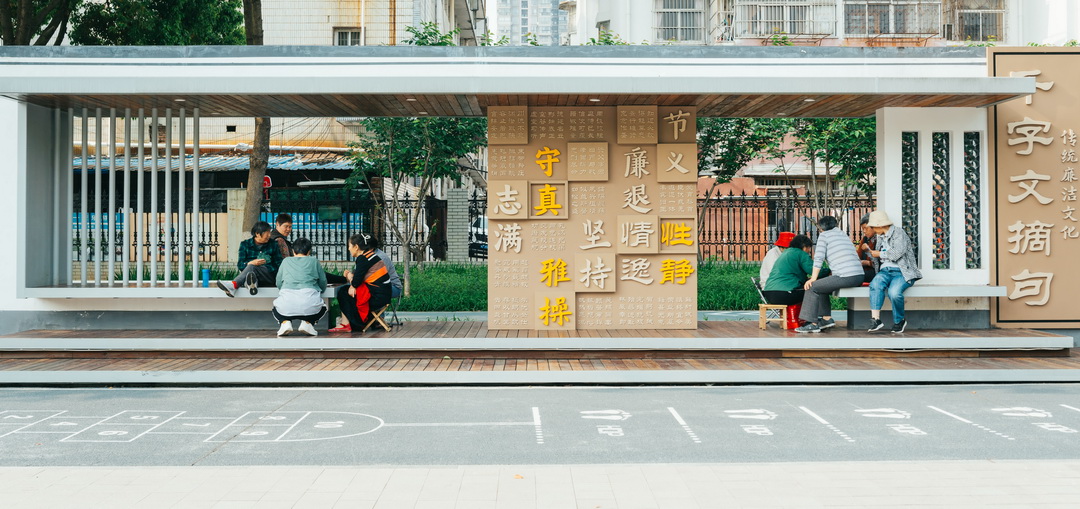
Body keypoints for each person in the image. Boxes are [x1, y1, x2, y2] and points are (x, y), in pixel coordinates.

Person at [794, 216, 865, 333]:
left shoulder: (824, 236)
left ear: (821, 228)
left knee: (812, 287)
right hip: (859, 276)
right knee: (821, 287)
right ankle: (826, 319)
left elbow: (818, 259)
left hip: (845, 276)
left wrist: (813, 278)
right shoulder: (842, 234)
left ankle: (811, 323)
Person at [865, 210, 922, 333]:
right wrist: (870, 253)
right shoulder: (880, 237)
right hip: (885, 271)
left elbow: (897, 253)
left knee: (894, 292)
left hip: (902, 271)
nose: (873, 229)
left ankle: (899, 320)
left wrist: (879, 254)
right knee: (875, 284)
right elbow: (879, 259)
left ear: (880, 225)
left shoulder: (899, 233)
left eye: (873, 227)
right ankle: (875, 320)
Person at [329, 234, 392, 333]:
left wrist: (349, 276)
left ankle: (349, 324)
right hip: (384, 295)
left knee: (343, 292)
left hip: (377, 298)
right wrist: (353, 283)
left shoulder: (363, 258)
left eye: (349, 246)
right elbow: (358, 279)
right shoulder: (371, 255)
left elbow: (356, 281)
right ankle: (352, 323)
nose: (349, 249)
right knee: (347, 290)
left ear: (356, 247)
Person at [271, 237, 327, 337]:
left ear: (293, 250)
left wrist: (284, 290)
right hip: (309, 304)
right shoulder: (314, 261)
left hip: (286, 305)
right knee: (323, 307)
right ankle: (308, 323)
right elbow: (323, 282)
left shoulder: (285, 261)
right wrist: (320, 290)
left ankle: (285, 322)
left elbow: (278, 282)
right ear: (309, 251)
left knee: (276, 307)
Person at [216, 221, 282, 297]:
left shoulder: (273, 244)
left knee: (252, 267)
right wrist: (250, 263)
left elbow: (279, 264)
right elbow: (240, 265)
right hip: (254, 276)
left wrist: (256, 266)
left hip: (269, 275)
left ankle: (234, 285)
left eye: (269, 232)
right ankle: (251, 283)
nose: (269, 235)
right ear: (257, 233)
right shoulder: (245, 245)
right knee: (250, 273)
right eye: (267, 233)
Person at [762, 234, 814, 306]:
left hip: (773, 289)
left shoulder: (785, 254)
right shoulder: (773, 254)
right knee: (812, 291)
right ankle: (810, 313)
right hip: (778, 289)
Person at [856, 214, 879, 284]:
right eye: (863, 229)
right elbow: (858, 255)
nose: (864, 231)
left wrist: (868, 263)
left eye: (866, 228)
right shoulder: (865, 239)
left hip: (876, 272)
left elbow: (880, 263)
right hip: (864, 271)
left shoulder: (879, 240)